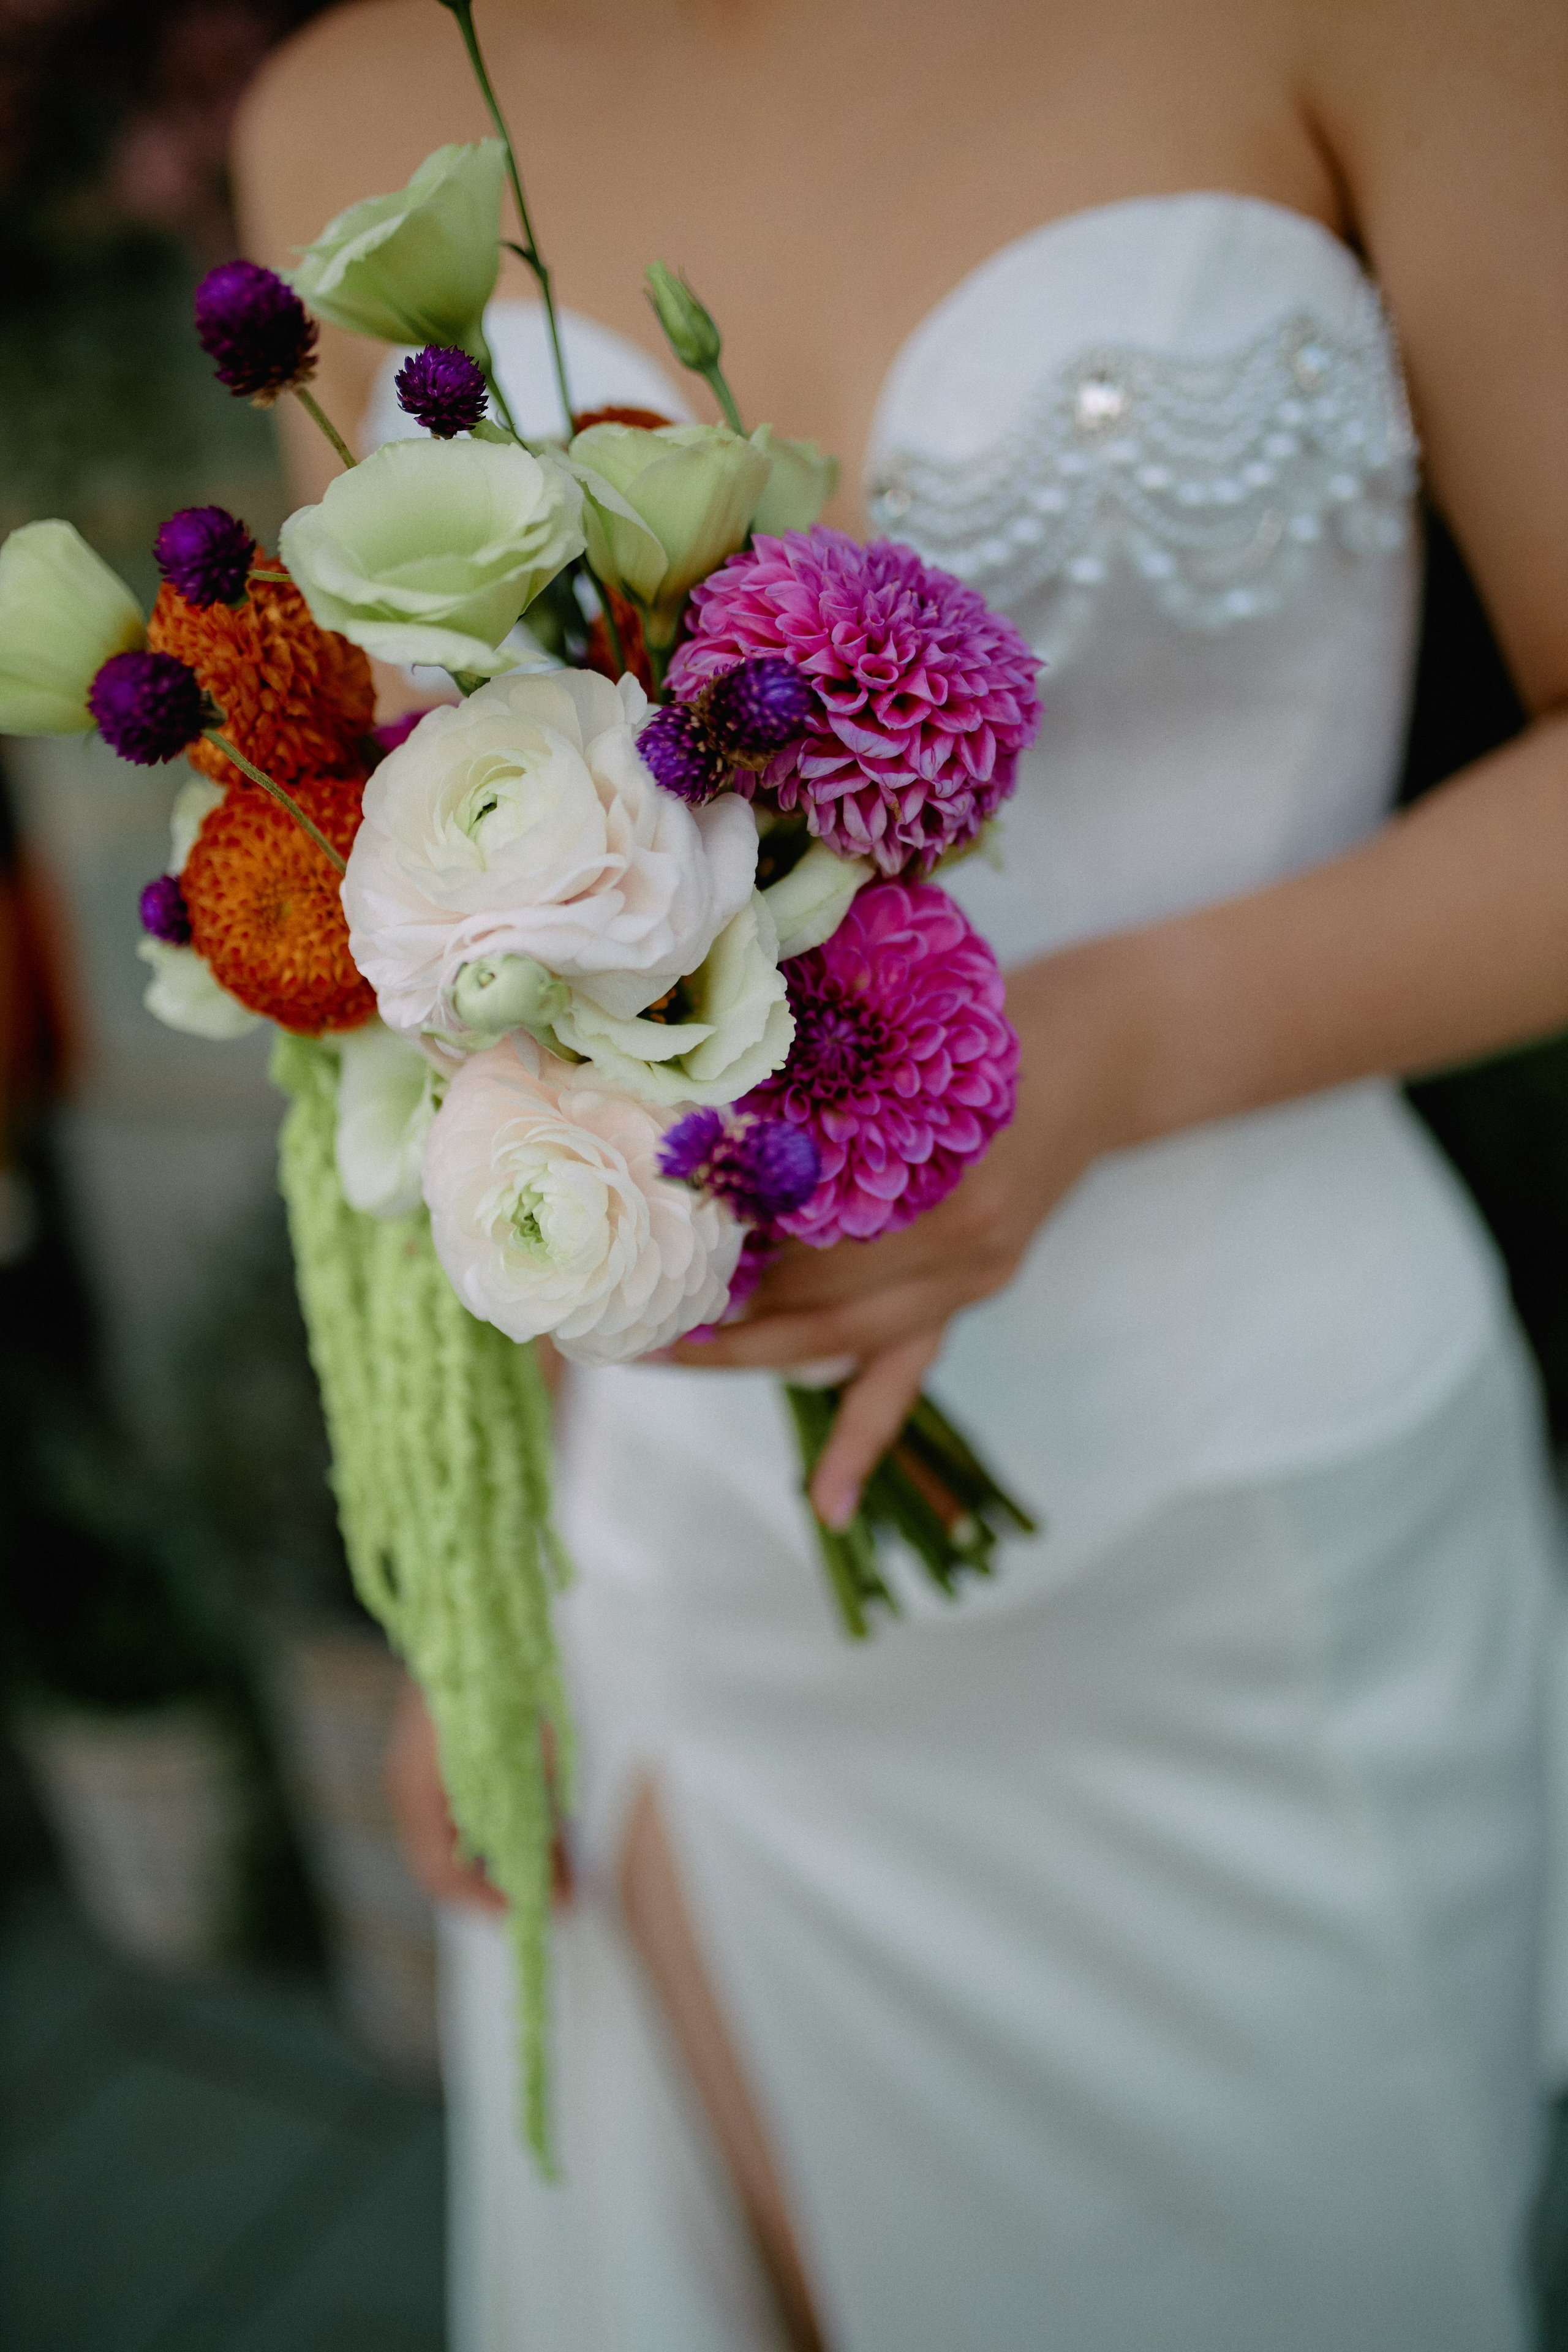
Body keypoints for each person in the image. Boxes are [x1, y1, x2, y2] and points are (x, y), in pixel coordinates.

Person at [236, 3, 1568, 2344]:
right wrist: (479, 1601)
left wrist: (1110, 1053)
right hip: (695, 1544)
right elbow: (437, 939)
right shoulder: (348, 121)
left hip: (1250, 1526)